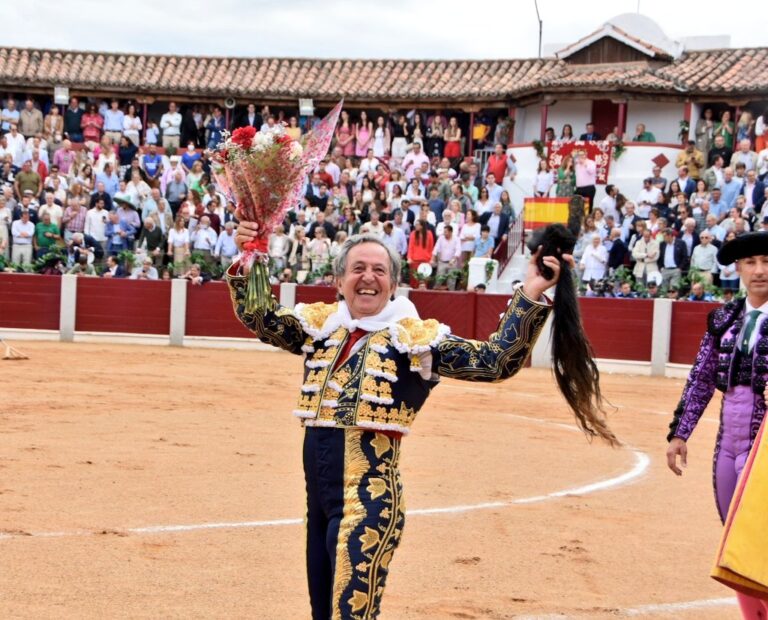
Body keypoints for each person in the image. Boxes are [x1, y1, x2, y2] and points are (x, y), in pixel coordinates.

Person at [228, 222, 570, 618]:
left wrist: (530, 291)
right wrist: (249, 254)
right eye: (357, 269)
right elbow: (260, 316)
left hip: (369, 505)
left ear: (393, 285)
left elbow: (494, 362)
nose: (368, 278)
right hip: (318, 505)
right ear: (338, 281)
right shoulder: (323, 328)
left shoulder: (412, 338)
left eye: (379, 270)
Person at [667, 233, 768, 617]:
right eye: (751, 263)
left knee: (761, 540)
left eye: (766, 261)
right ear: (738, 269)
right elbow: (701, 378)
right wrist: (680, 433)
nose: (759, 270)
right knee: (733, 540)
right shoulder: (723, 319)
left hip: (765, 448)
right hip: (728, 445)